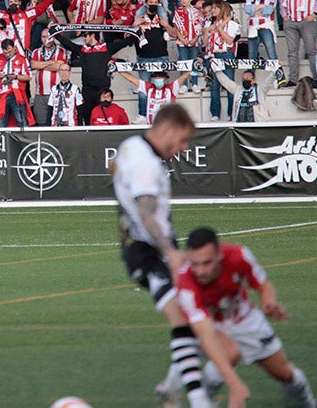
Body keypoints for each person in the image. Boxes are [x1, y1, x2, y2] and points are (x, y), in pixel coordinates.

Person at [111, 104, 218, 408]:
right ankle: (198, 400)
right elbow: (146, 213)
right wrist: (170, 252)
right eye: (183, 140)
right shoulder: (147, 165)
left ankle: (171, 387)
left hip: (146, 249)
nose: (183, 148)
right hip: (148, 253)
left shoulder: (131, 145)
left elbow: (115, 167)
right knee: (184, 319)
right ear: (168, 129)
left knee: (197, 317)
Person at [177, 227, 317, 408]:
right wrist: (235, 385)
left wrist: (268, 303)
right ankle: (204, 402)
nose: (200, 271)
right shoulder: (186, 284)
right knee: (229, 353)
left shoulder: (240, 256)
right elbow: (206, 335)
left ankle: (309, 404)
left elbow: (263, 285)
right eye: (195, 264)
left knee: (284, 373)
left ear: (219, 255)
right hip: (209, 325)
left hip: (245, 320)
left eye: (207, 263)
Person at [53, 29, 138, 124]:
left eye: (85, 35)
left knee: (104, 119)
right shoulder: (82, 49)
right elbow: (68, 44)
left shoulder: (106, 47)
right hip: (87, 90)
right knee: (88, 119)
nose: (83, 38)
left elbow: (124, 42)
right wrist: (55, 33)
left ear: (92, 35)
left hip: (103, 90)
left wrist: (137, 32)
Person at [203, 0, 240, 122]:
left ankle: (231, 113)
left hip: (227, 54)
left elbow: (230, 41)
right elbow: (204, 43)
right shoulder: (210, 23)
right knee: (214, 85)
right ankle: (215, 114)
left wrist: (220, 28)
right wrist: (207, 32)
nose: (213, 10)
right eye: (212, 8)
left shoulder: (232, 24)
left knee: (229, 85)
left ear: (222, 9)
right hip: (214, 55)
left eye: (215, 8)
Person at [117, 68, 190, 125]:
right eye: (156, 77)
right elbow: (131, 79)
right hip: (151, 127)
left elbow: (184, 77)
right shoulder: (149, 87)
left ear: (165, 78)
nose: (158, 79)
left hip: (168, 126)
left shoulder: (171, 87)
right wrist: (118, 69)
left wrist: (194, 66)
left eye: (160, 77)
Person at [0, 38, 32, 128]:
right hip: (1, 95)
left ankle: (25, 141)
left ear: (14, 48)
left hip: (16, 94)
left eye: (9, 52)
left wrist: (16, 76)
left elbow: (29, 77)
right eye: (5, 52)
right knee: (1, 123)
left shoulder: (22, 59)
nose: (7, 55)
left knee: (21, 121)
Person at [29, 30, 69, 126]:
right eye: (43, 37)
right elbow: (33, 65)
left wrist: (41, 64)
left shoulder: (61, 51)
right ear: (41, 39)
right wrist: (50, 62)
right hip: (40, 94)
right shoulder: (36, 51)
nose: (46, 39)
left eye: (48, 36)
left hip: (57, 93)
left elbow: (58, 67)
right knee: (41, 122)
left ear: (53, 37)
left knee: (58, 121)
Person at [243, 0, 279, 64]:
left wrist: (254, 9)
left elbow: (268, 11)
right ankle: (251, 77)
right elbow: (247, 10)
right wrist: (261, 6)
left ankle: (277, 76)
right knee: (251, 56)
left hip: (265, 26)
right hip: (252, 27)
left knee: (271, 54)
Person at [173, 0, 204, 91]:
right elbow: (176, 27)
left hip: (194, 42)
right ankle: (184, 84)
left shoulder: (197, 12)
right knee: (183, 62)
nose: (184, 0)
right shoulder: (178, 11)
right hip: (182, 43)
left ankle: (194, 83)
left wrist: (195, 38)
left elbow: (200, 26)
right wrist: (182, 39)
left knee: (194, 62)